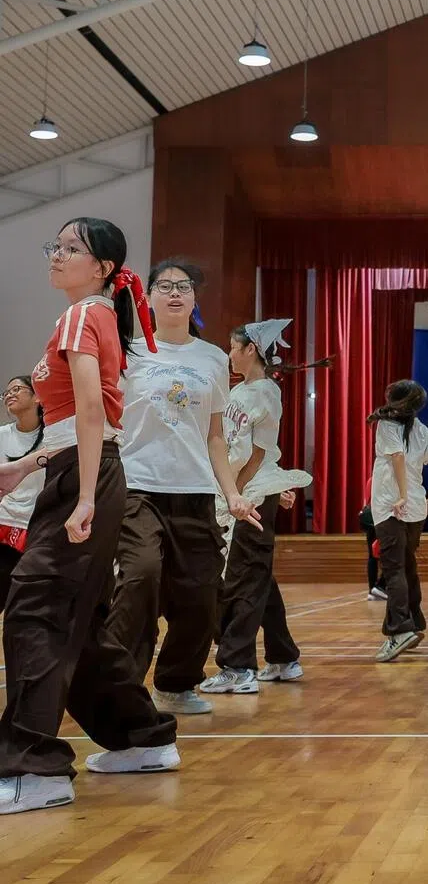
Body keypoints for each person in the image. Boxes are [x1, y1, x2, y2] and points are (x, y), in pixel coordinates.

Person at [0, 218, 179, 815]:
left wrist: (82, 498)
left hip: (85, 475)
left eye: (71, 248)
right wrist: (27, 467)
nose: (57, 255)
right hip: (79, 469)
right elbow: (78, 422)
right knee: (80, 619)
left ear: (102, 267)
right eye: (55, 246)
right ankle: (141, 738)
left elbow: (90, 412)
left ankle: (34, 769)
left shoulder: (82, 315)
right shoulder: (92, 314)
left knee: (36, 610)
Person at [105, 259, 260, 717]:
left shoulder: (212, 359)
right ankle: (117, 685)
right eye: (165, 285)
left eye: (184, 286)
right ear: (148, 298)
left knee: (202, 594)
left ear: (194, 300)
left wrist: (232, 493)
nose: (175, 292)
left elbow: (215, 436)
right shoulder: (128, 353)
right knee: (140, 575)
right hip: (137, 486)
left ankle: (175, 683)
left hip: (194, 491)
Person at [202, 320, 315, 694]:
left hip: (250, 495)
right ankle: (283, 657)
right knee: (258, 576)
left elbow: (259, 452)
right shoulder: (239, 391)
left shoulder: (266, 392)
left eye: (233, 347)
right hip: (243, 490)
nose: (229, 354)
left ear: (250, 349)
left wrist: (237, 492)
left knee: (242, 579)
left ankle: (238, 666)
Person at [370, 380, 428, 662]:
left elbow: (398, 458)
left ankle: (400, 630)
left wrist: (401, 495)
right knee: (407, 566)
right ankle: (413, 622)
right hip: (415, 507)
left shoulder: (387, 425)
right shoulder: (423, 430)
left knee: (394, 569)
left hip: (391, 505)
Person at [0, 376, 46, 607]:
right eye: (6, 392)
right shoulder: (2, 434)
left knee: (27, 604)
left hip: (39, 528)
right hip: (3, 521)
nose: (9, 394)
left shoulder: (54, 437)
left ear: (37, 396)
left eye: (16, 389)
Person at [360, 477, 386, 602]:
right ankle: (380, 586)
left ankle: (372, 590)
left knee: (372, 556)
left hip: (369, 519)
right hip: (381, 519)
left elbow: (367, 500)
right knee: (390, 554)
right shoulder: (385, 479)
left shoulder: (371, 480)